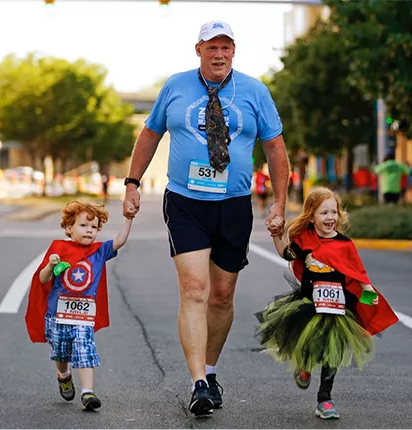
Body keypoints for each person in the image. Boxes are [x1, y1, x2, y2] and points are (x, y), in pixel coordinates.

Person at [122, 20, 290, 416]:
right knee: (195, 289)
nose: (219, 54)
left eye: (226, 47)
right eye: (211, 47)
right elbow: (150, 134)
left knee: (222, 294)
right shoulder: (176, 86)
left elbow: (276, 150)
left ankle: (210, 370)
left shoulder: (254, 91)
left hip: (234, 203)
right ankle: (198, 382)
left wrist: (280, 203)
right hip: (185, 201)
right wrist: (132, 182)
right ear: (198, 49)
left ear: (234, 51)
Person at [255, 187, 398, 420]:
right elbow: (287, 254)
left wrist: (368, 304)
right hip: (309, 304)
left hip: (338, 308)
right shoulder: (305, 240)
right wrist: (276, 235)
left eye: (334, 212)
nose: (330, 218)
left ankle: (325, 399)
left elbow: (360, 276)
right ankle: (304, 366)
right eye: (324, 213)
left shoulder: (345, 245)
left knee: (333, 352)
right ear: (311, 216)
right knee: (309, 344)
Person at [25, 200, 134, 411]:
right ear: (68, 228)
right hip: (57, 314)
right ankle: (64, 375)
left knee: (85, 348)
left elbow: (119, 241)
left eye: (94, 227)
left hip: (83, 315)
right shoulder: (59, 249)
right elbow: (42, 279)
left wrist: (128, 219)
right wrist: (50, 265)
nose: (89, 231)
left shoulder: (99, 251)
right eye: (83, 226)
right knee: (61, 352)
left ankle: (87, 392)